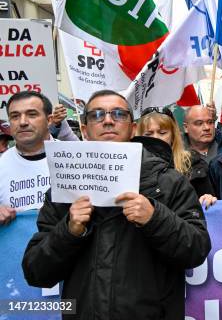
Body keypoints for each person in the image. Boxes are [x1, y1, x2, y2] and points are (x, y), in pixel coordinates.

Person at [22, 89, 211, 319]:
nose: (108, 120)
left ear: (132, 129)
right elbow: (36, 272)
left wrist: (155, 218)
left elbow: (197, 250)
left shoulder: (168, 182)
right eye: (97, 115)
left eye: (119, 114)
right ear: (84, 130)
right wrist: (69, 231)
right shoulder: (64, 190)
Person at [0, 92, 55, 225]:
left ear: (49, 120)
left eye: (32, 114)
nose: (23, 122)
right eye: (15, 116)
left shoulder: (75, 158)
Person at [183, 104, 222, 197]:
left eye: (210, 122)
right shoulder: (176, 154)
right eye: (199, 123)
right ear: (186, 127)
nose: (207, 128)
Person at [136, 106, 191, 175]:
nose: (155, 138)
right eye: (148, 134)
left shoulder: (190, 164)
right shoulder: (132, 165)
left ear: (173, 134)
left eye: (162, 133)